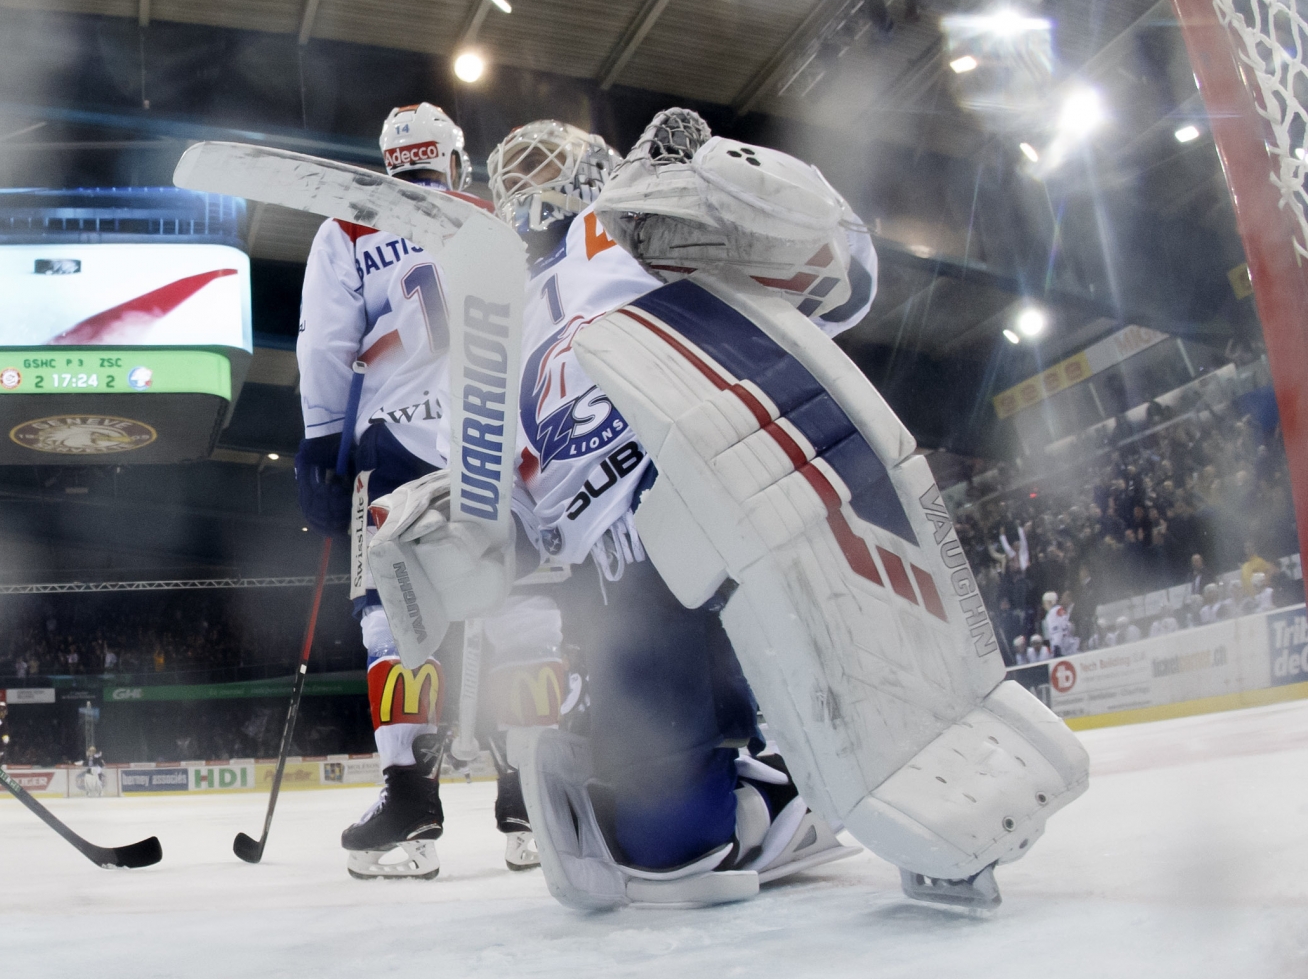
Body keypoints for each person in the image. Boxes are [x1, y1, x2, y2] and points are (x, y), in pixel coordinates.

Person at [367, 123, 1087, 911]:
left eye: (548, 165)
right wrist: (449, 531)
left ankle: (790, 781)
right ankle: (761, 792)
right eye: (522, 172)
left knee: (693, 826)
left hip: (716, 500)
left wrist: (742, 196)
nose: (534, 184)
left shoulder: (627, 228)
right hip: (619, 578)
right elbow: (498, 515)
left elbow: (843, 278)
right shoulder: (488, 325)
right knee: (675, 844)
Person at [293, 102, 482, 881]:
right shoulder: (484, 216)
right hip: (485, 438)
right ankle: (531, 807)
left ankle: (410, 801)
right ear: (453, 160)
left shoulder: (351, 226)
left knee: (391, 614)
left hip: (393, 440)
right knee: (514, 603)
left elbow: (326, 343)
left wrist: (316, 444)